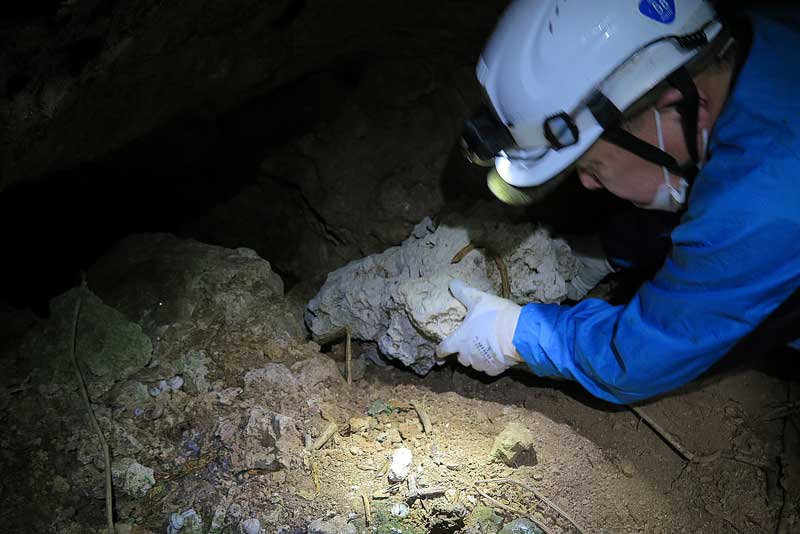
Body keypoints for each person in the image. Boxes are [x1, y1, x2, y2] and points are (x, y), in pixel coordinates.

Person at [437, 0, 800, 404]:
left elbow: (639, 356)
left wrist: (518, 335)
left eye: (590, 165)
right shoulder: (755, 39)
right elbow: (696, 182)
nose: (589, 183)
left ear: (678, 105)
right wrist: (613, 248)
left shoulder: (766, 200)